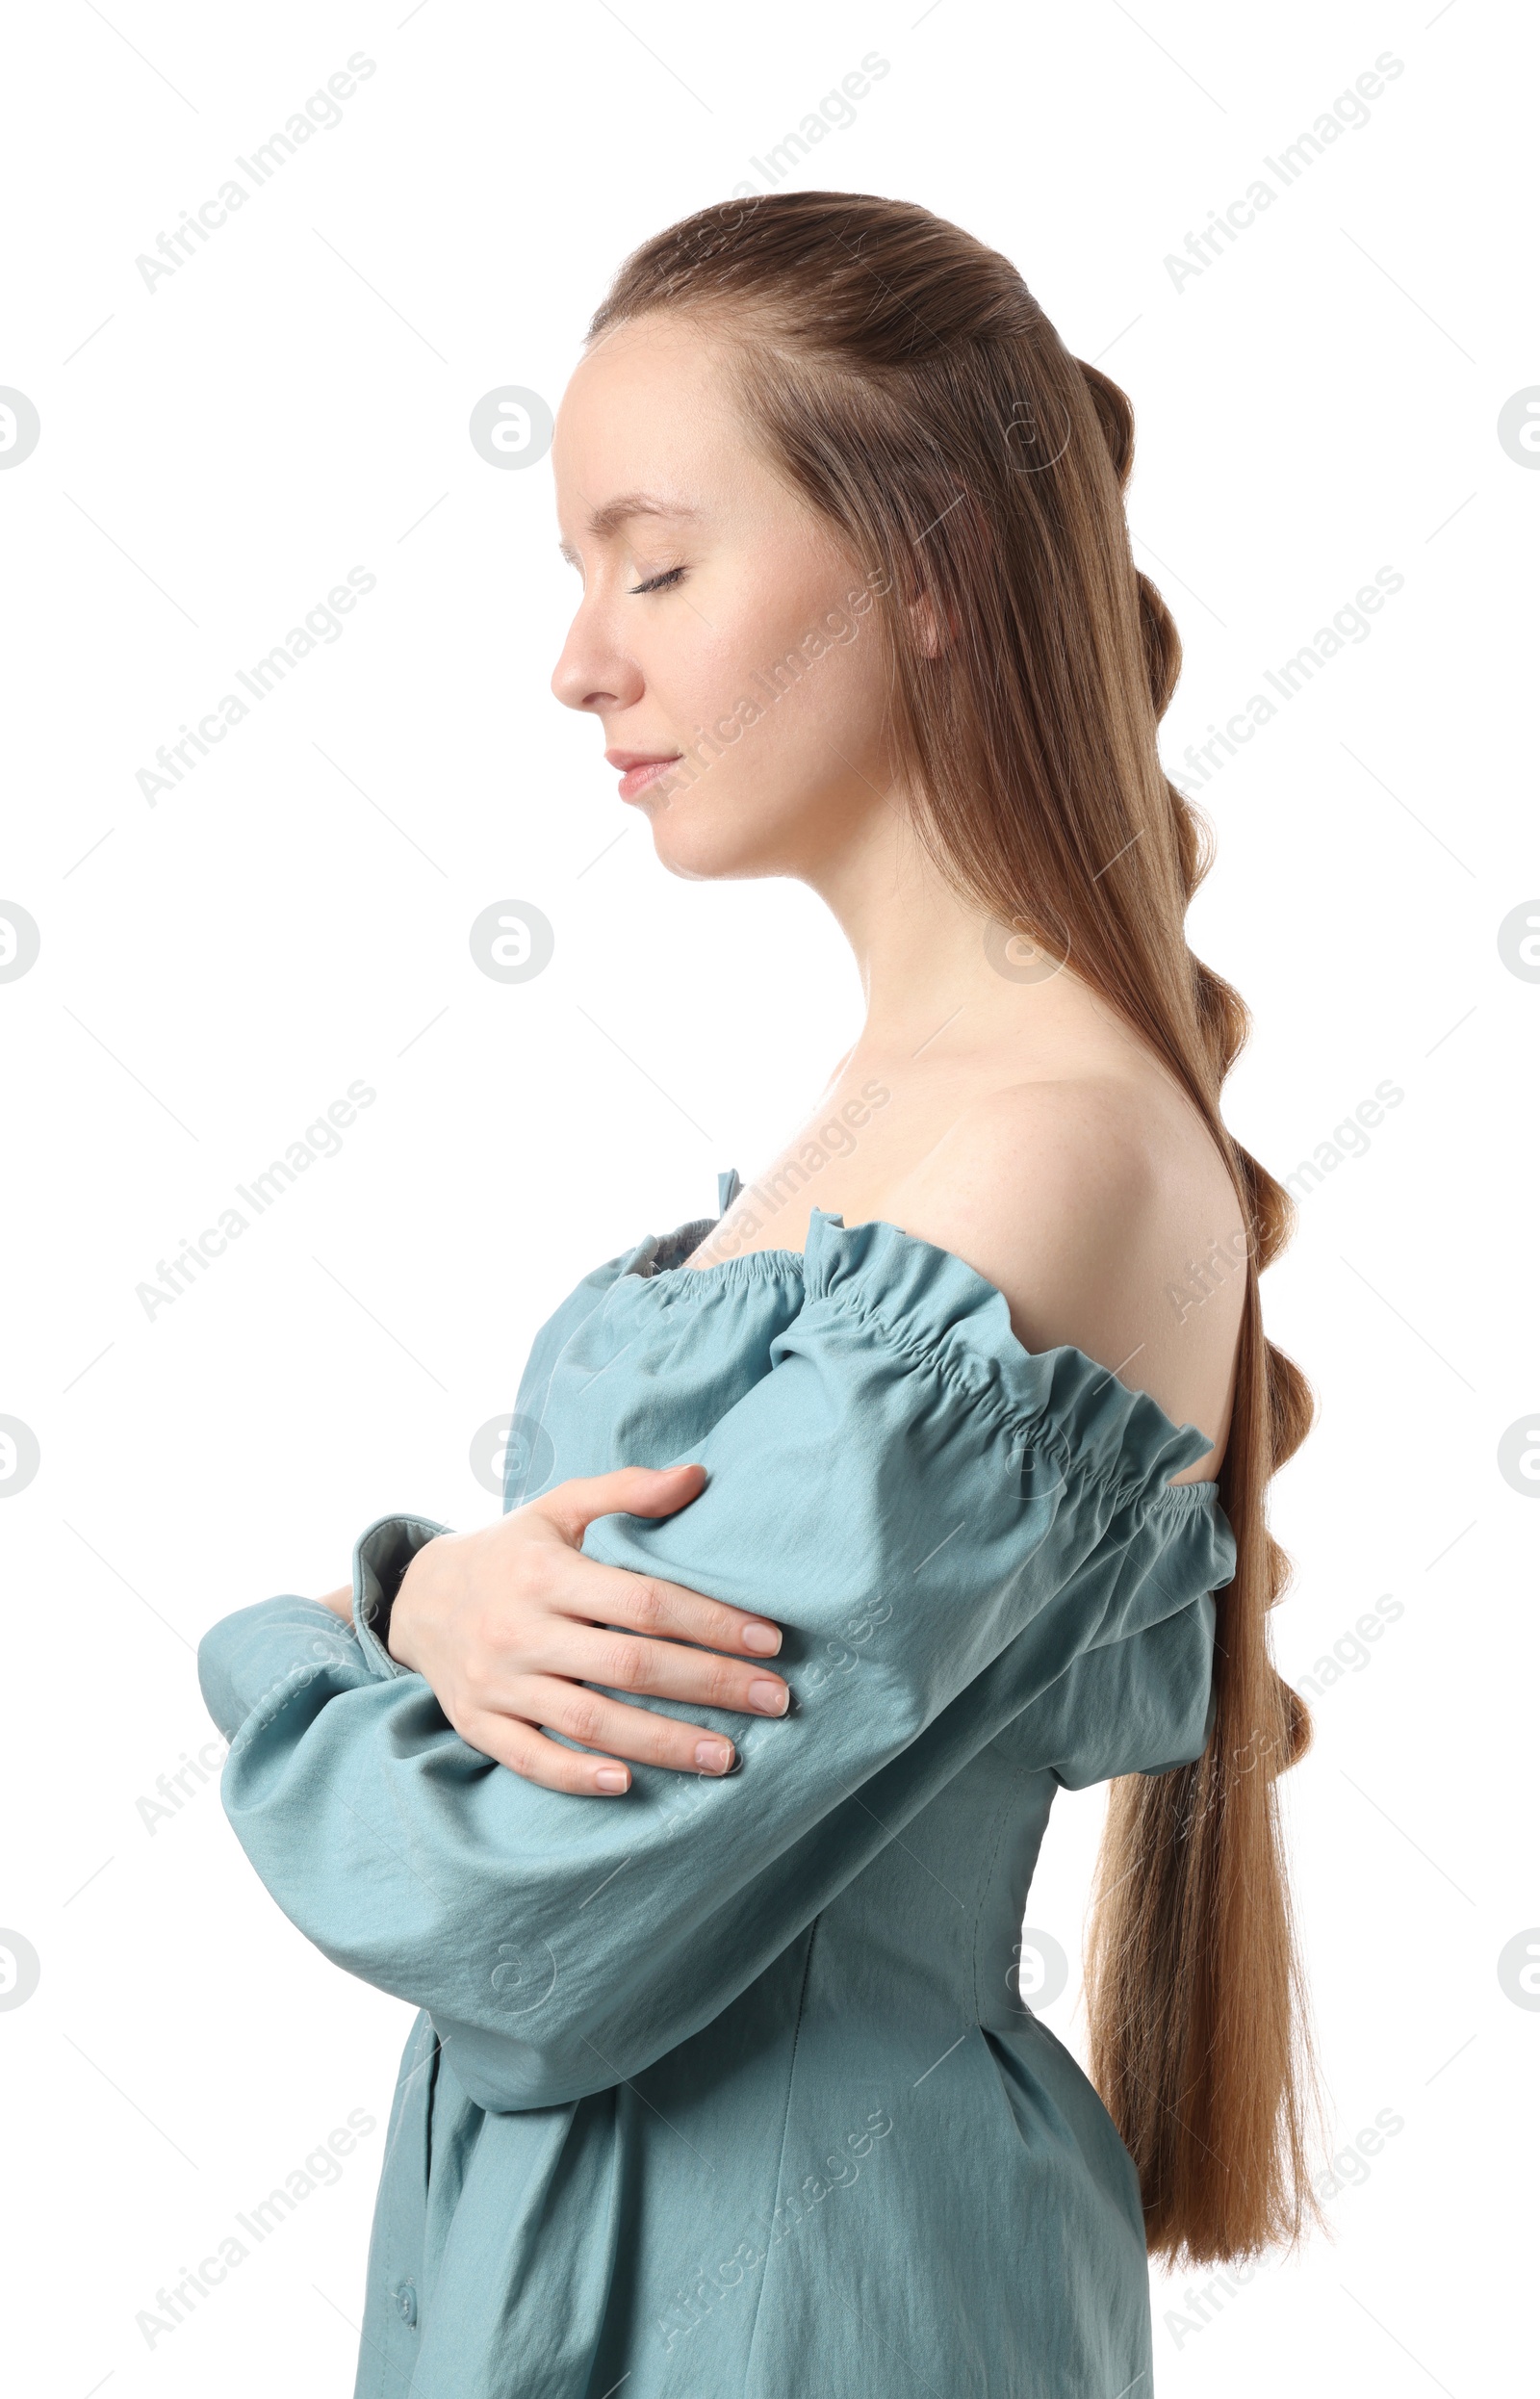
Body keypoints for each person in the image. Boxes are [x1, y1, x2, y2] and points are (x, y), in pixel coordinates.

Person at [197, 191, 1320, 2397]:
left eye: (658, 560)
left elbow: (531, 1912)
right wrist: (428, 1601)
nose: (581, 659)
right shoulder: (880, 1122)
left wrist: (304, 1644)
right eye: (577, 571)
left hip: (804, 2306)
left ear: (921, 573)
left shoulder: (1040, 1150)